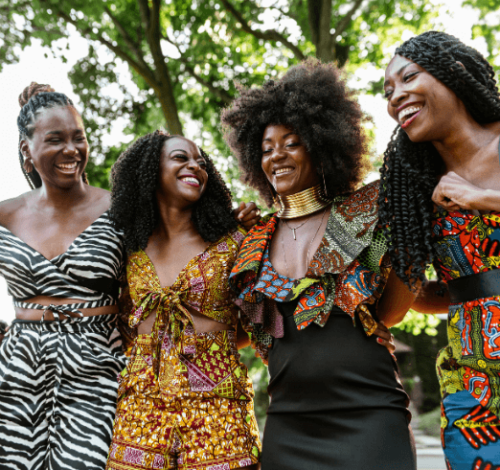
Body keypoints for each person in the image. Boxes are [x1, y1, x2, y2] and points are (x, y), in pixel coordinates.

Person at [221, 59, 416, 470]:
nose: (277, 157)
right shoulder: (250, 243)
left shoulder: (366, 213)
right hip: (288, 424)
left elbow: (393, 311)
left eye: (291, 143)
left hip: (370, 413)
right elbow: (242, 334)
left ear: (320, 143)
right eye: (267, 149)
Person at [105, 131, 261, 470]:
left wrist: (209, 349)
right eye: (181, 158)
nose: (195, 166)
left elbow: (258, 325)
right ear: (150, 171)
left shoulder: (234, 240)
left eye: (201, 163)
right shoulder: (129, 248)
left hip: (219, 409)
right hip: (140, 407)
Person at [381, 31, 500, 470]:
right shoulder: (417, 190)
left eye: (409, 76)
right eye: (388, 91)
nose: (396, 96)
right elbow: (425, 300)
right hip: (471, 384)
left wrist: (479, 198)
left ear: (459, 72)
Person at [0, 82, 127, 469]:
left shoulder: (119, 208)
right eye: (55, 139)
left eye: (78, 138)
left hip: (99, 364)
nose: (71, 150)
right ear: (27, 150)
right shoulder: (6, 214)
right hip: (18, 371)